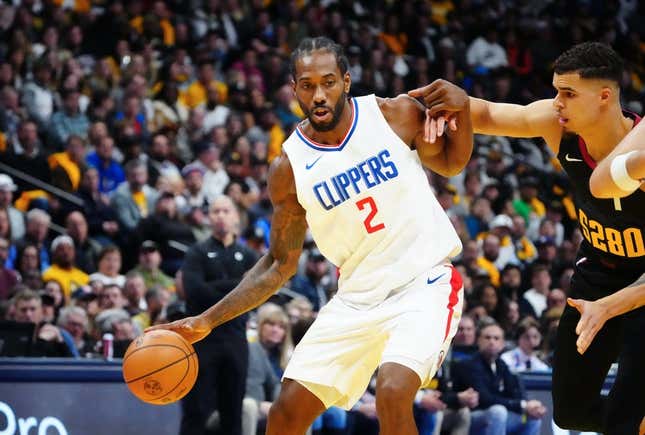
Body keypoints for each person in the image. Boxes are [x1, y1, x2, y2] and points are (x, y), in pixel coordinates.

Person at [149, 36, 473, 435]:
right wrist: (206, 321)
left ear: (347, 81)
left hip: (423, 283)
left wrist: (465, 111)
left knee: (392, 390)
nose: (318, 95)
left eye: (328, 82)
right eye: (307, 85)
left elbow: (451, 164)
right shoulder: (288, 167)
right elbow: (277, 265)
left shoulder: (393, 114)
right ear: (294, 89)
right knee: (285, 414)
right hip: (356, 298)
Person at [410, 41, 645, 434]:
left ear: (605, 97)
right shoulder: (558, 127)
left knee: (623, 417)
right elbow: (490, 113)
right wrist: (454, 99)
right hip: (596, 274)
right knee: (568, 413)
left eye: (568, 93)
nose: (557, 102)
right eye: (556, 90)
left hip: (641, 284)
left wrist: (614, 305)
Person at [174, 195, 258, 435]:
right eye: (215, 212)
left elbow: (256, 293)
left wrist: (218, 287)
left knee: (233, 414)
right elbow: (195, 292)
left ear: (235, 217)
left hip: (236, 340)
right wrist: (238, 287)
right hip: (202, 341)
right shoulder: (196, 252)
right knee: (196, 412)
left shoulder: (249, 254)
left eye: (225, 211)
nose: (220, 216)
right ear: (208, 218)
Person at [459, 322, 545, 435]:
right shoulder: (470, 364)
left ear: (502, 344)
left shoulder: (501, 364)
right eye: (487, 337)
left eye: (496, 338)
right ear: (478, 340)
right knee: (498, 412)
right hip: (471, 418)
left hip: (497, 416)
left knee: (533, 417)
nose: (491, 342)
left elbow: (515, 391)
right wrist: (522, 405)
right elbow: (485, 399)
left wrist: (529, 407)